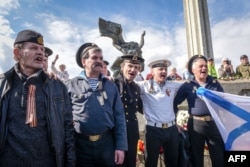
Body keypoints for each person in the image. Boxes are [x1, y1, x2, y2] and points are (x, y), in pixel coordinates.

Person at [0, 29, 75, 167]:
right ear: (17, 53)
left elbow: (68, 129)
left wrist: (69, 163)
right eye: (34, 48)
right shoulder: (2, 84)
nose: (40, 52)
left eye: (42, 49)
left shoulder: (58, 87)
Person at [65, 42, 127, 167]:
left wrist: (121, 147)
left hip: (106, 144)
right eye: (94, 57)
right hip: (80, 145)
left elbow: (119, 117)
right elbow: (64, 118)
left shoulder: (110, 85)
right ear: (84, 61)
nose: (99, 61)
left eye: (101, 58)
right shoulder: (70, 84)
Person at [174, 55, 225, 167]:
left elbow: (224, 102)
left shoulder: (215, 83)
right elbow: (174, 102)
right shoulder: (187, 85)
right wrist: (174, 122)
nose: (204, 69)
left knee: (219, 156)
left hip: (214, 124)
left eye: (205, 66)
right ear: (193, 70)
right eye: (201, 66)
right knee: (196, 157)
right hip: (196, 125)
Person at [136, 59, 182, 167]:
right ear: (152, 72)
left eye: (165, 69)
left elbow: (189, 86)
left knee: (172, 162)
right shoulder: (144, 85)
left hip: (171, 130)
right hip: (153, 130)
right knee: (151, 162)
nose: (164, 71)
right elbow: (126, 83)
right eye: (160, 69)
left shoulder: (173, 85)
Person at [113, 54, 144, 167]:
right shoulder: (113, 84)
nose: (133, 70)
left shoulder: (136, 87)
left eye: (136, 67)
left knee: (130, 163)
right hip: (116, 132)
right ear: (122, 67)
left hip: (132, 132)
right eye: (130, 66)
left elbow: (142, 108)